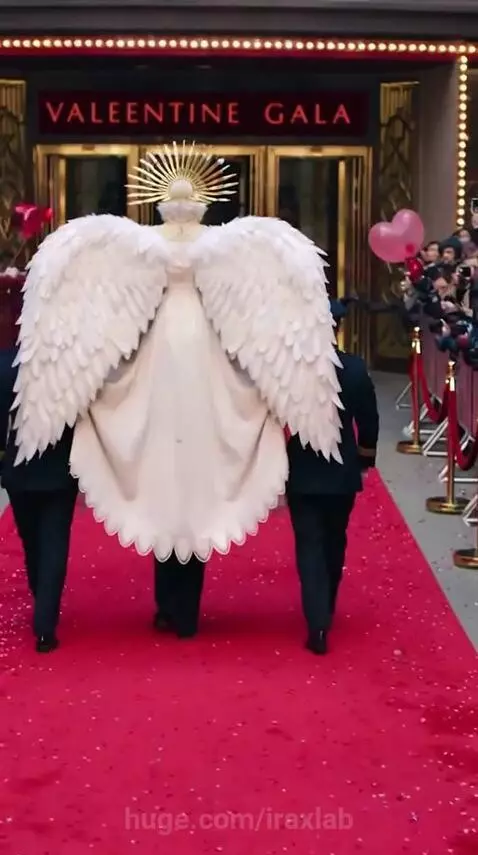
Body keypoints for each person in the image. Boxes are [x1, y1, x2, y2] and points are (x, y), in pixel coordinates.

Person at [12, 141, 342, 636]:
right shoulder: (246, 245)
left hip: (160, 345)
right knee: (193, 470)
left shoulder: (118, 244)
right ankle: (182, 605)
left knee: (162, 466)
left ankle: (172, 604)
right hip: (202, 344)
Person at [286, 300, 379, 655]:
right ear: (337, 328)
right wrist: (365, 460)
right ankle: (327, 606)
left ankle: (317, 621)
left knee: (308, 544)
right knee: (334, 540)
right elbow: (368, 422)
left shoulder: (295, 370)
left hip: (303, 468)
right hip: (342, 468)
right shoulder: (354, 368)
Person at [0, 347, 77, 653]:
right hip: (59, 470)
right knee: (54, 545)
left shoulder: (7, 365)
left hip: (20, 472)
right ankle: (46, 620)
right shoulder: (70, 367)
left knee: (33, 543)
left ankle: (42, 603)